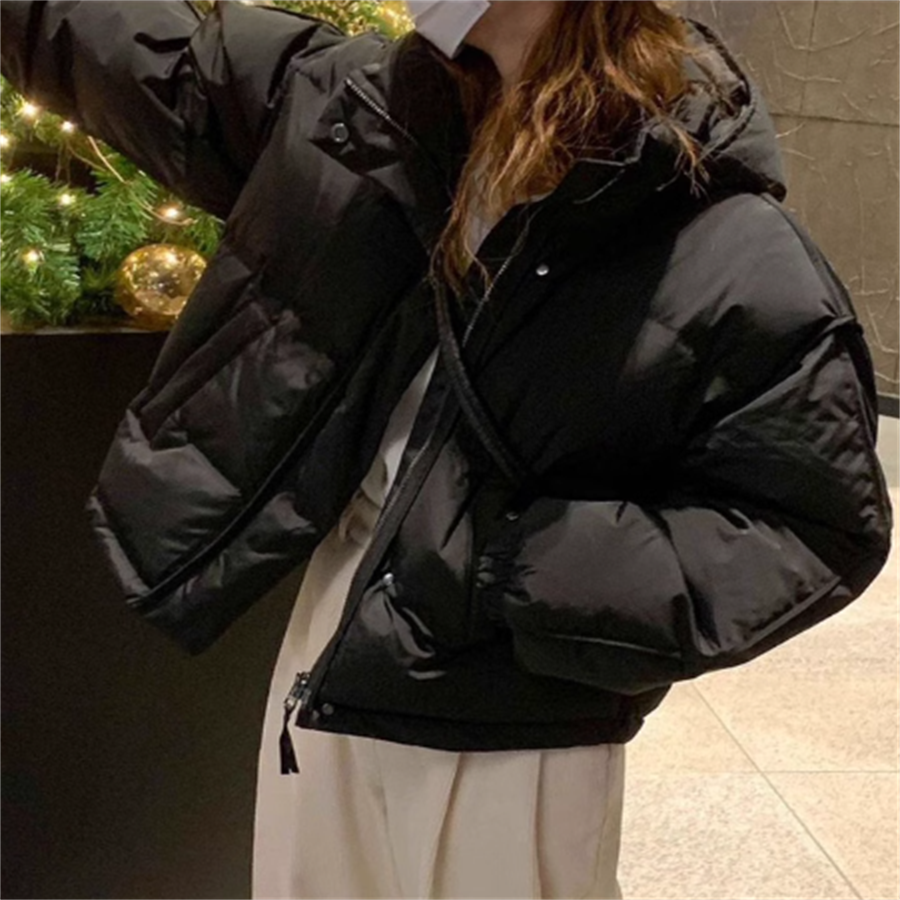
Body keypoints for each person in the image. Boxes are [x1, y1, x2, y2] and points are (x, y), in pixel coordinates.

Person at [0, 0, 893, 897]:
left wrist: (521, 569)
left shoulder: (712, 233)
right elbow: (151, 60)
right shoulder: (363, 107)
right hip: (333, 650)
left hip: (511, 724)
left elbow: (814, 522)